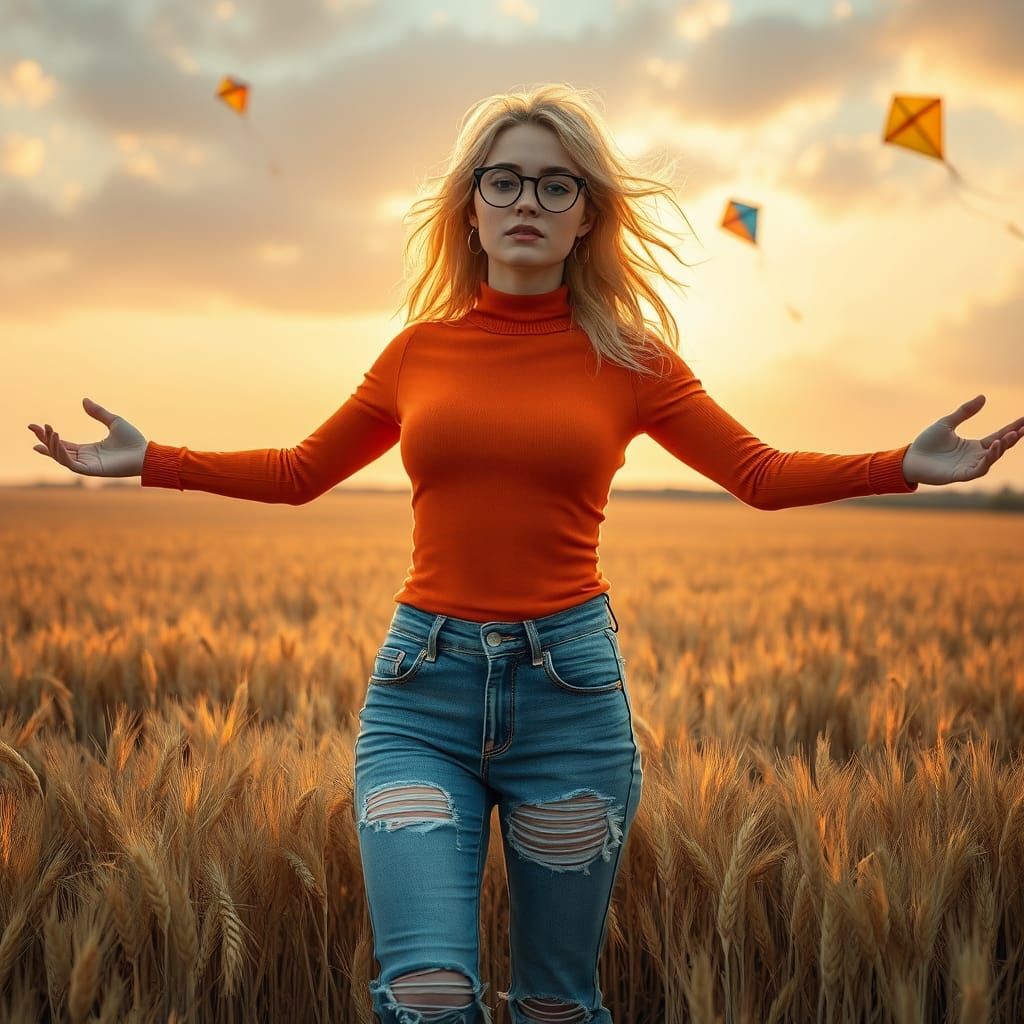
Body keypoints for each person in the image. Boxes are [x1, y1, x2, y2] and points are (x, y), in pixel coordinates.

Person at [27, 83, 1022, 1024]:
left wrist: (904, 463)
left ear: (588, 215)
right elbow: (298, 471)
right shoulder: (417, 353)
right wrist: (149, 458)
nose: (527, 202)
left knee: (554, 1001)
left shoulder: (631, 361)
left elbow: (757, 473)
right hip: (421, 695)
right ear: (468, 205)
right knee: (424, 992)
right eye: (502, 180)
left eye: (557, 184)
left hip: (568, 703)